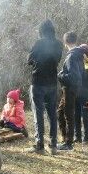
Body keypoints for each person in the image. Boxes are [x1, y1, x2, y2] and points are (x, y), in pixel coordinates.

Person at [27, 19, 63, 155]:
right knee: (52, 114)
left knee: (38, 113)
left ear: (41, 31)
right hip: (53, 83)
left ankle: (39, 145)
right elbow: (57, 60)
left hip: (38, 82)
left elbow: (29, 60)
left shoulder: (39, 43)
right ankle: (53, 145)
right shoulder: (59, 44)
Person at [56, 32, 86, 150]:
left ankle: (68, 143)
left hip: (69, 88)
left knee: (68, 115)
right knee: (60, 112)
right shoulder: (79, 54)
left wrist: (60, 75)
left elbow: (74, 76)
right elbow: (81, 73)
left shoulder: (71, 56)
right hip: (73, 88)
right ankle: (65, 139)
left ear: (65, 43)